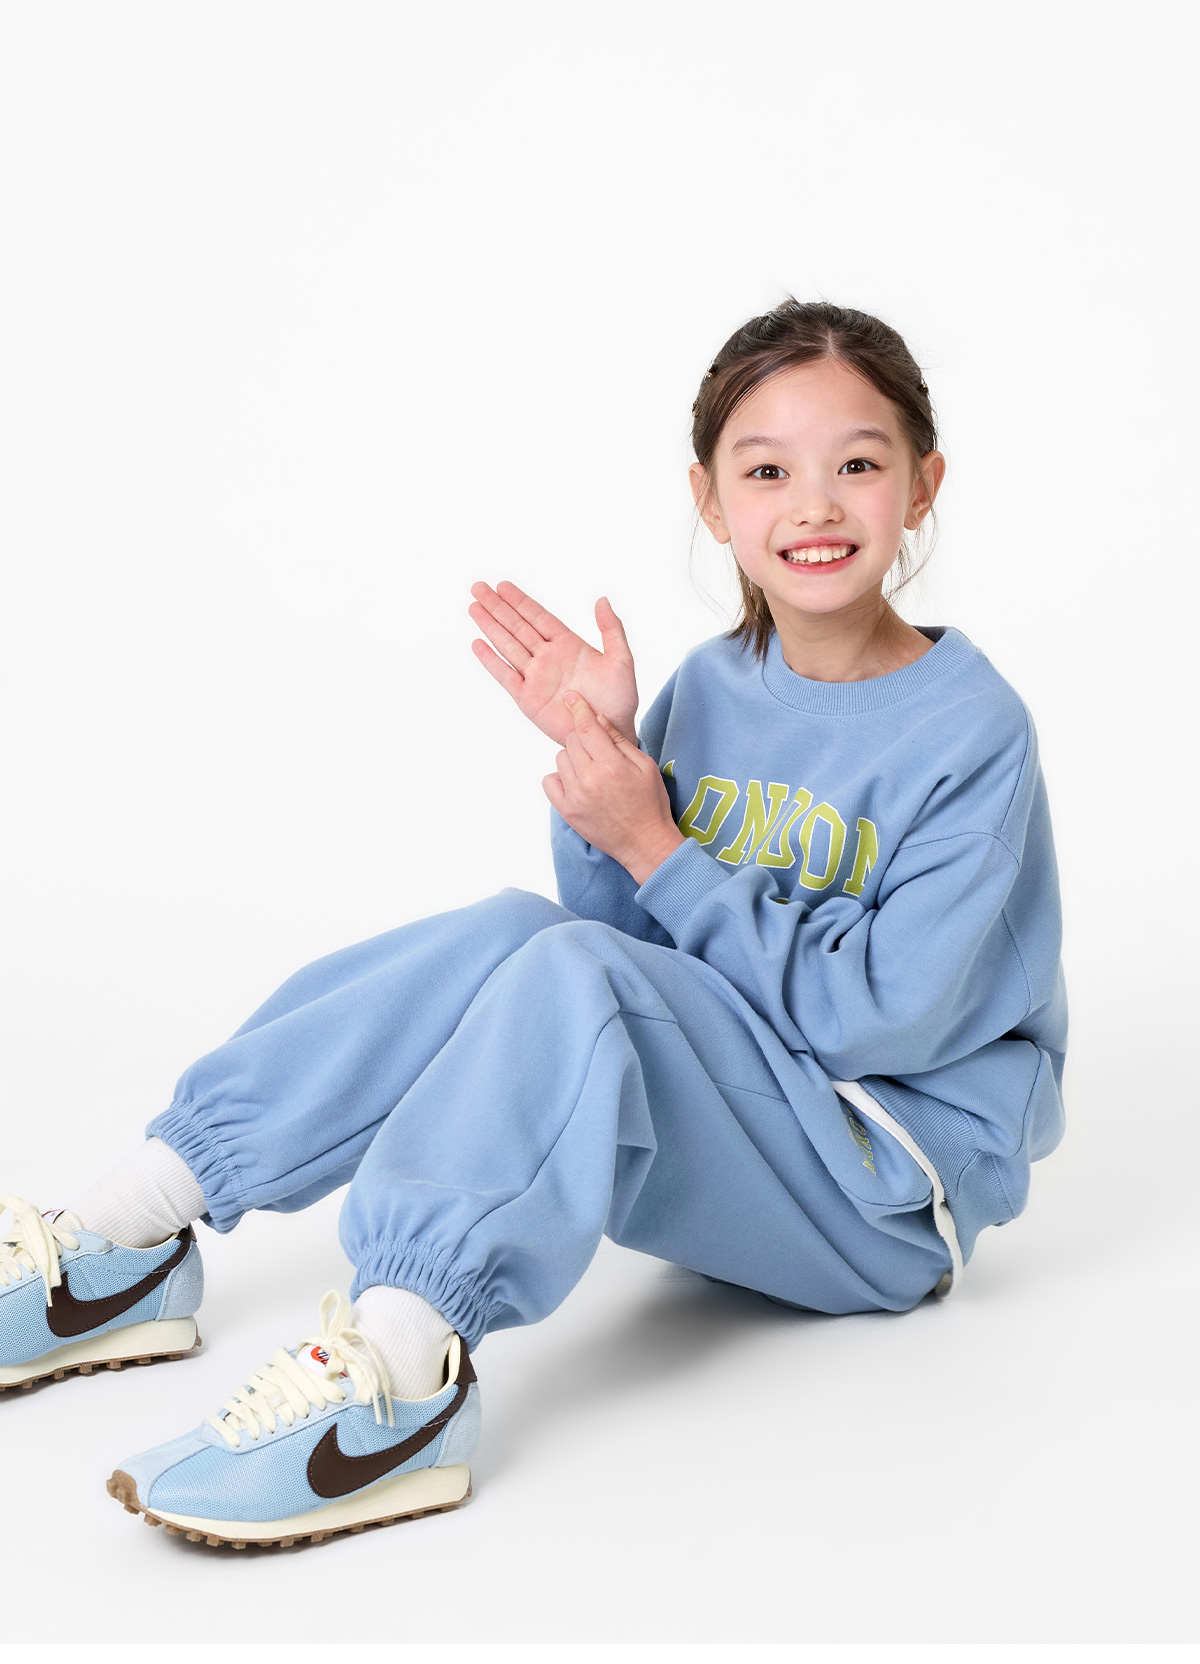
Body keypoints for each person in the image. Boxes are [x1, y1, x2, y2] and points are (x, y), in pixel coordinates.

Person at [0, 298, 1067, 1550]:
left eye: (859, 464)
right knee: (517, 929)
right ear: (711, 500)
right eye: (768, 470)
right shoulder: (714, 684)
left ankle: (404, 1373)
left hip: (882, 1192)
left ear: (922, 485)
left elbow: (877, 1019)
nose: (815, 505)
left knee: (568, 966)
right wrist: (606, 760)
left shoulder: (972, 731)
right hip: (749, 1130)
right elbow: (617, 944)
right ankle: (125, 1234)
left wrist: (658, 841)